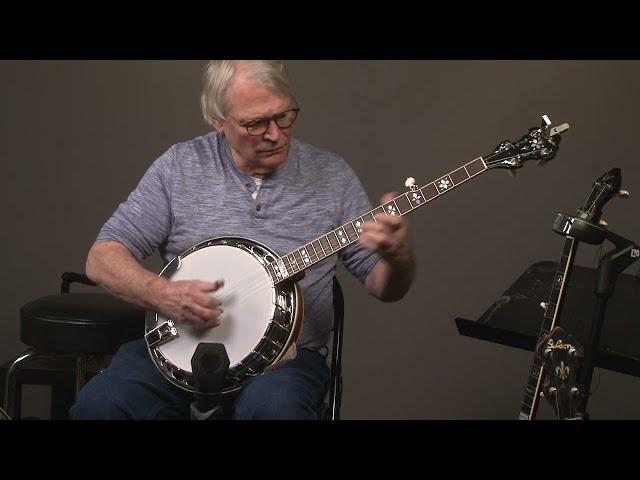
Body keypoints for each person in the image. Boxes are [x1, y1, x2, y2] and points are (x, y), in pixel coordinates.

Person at [69, 60, 416, 420]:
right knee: (101, 404)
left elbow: (384, 286)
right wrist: (163, 294)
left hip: (284, 362)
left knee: (276, 410)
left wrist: (398, 256)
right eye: (255, 123)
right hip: (179, 353)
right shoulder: (179, 167)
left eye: (284, 116)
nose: (275, 134)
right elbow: (102, 258)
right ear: (217, 120)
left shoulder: (332, 175)